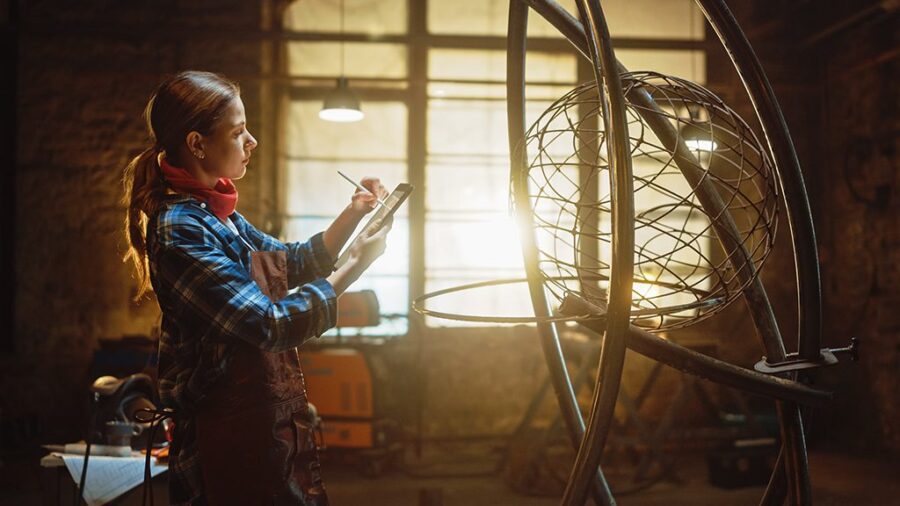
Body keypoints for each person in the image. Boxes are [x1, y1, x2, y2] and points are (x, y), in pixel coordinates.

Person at [121, 70, 390, 505]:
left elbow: (292, 262)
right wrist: (356, 264)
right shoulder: (180, 229)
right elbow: (269, 324)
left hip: (257, 422)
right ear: (197, 144)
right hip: (219, 434)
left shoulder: (217, 213)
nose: (253, 142)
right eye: (239, 132)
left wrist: (354, 213)